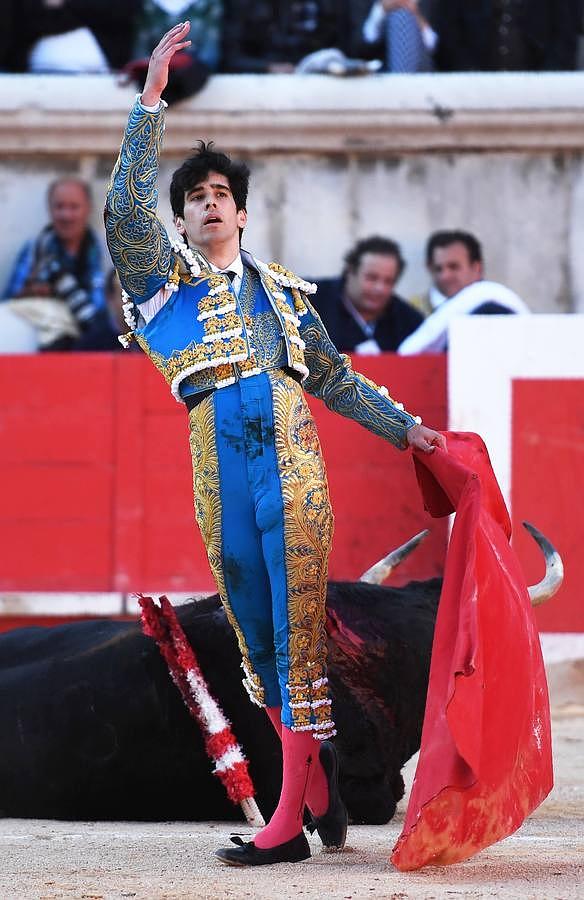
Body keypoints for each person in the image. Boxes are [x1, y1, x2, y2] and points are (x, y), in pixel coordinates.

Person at [105, 22, 446, 867]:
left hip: (287, 458)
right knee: (256, 637)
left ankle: (288, 819)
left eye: (222, 192)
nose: (210, 202)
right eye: (196, 197)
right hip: (214, 455)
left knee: (294, 633)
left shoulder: (289, 300)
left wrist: (409, 429)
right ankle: (316, 779)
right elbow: (121, 214)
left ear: (243, 212)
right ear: (182, 221)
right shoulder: (159, 287)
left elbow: (333, 380)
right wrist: (152, 98)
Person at [2, 177, 106, 350]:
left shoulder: (105, 252)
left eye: (74, 207)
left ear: (88, 209)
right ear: (50, 209)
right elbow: (9, 306)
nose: (66, 215)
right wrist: (32, 292)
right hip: (44, 346)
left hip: (98, 346)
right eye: (59, 207)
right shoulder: (34, 250)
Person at [398, 229, 529, 354]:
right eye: (438, 269)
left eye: (454, 267)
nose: (445, 276)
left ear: (476, 268)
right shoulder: (411, 313)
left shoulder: (498, 307)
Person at [314, 236, 423, 353]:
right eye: (372, 278)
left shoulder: (409, 321)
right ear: (350, 272)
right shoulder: (310, 301)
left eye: (388, 281)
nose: (379, 288)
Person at [430, 0, 582, 73]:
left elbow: (564, 38)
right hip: (475, 92)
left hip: (541, 90)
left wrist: (544, 82)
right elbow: (449, 37)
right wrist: (471, 79)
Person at [362, 0, 437, 72]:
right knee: (400, 16)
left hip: (421, 65)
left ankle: (401, 79)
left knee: (403, 16)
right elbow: (361, 44)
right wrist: (382, 10)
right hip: (382, 66)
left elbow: (436, 47)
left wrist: (415, 13)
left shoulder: (429, 4)